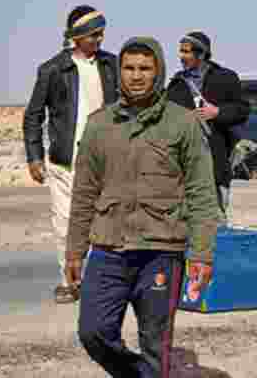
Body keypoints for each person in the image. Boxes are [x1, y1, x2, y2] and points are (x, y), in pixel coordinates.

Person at [66, 36, 219, 378]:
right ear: (119, 72)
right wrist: (74, 250)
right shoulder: (99, 124)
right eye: (129, 68)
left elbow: (201, 193)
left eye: (145, 69)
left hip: (161, 250)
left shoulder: (183, 123)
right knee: (93, 333)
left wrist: (202, 254)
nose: (136, 76)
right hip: (109, 249)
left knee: (156, 345)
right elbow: (84, 193)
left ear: (158, 72)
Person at [23, 5, 119, 304]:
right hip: (65, 161)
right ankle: (69, 282)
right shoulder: (53, 69)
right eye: (93, 34)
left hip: (107, 159)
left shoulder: (112, 66)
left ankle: (101, 283)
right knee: (65, 222)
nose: (99, 39)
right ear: (76, 36)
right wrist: (34, 156)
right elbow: (33, 116)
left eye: (102, 33)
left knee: (105, 223)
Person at [166, 31, 250, 222]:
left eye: (186, 52)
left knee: (216, 220)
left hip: (216, 162)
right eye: (180, 51)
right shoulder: (176, 84)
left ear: (201, 54)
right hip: (183, 165)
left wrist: (217, 112)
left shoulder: (225, 77)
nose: (181, 56)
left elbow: (242, 110)